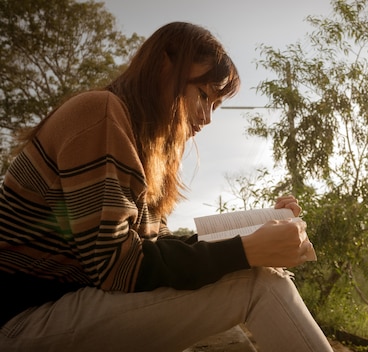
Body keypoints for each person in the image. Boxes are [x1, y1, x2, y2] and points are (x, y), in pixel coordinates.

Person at [0, 22, 332, 352]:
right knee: (259, 284)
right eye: (203, 95)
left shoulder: (146, 152)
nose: (208, 118)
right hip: (23, 318)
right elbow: (119, 267)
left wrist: (259, 230)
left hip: (70, 306)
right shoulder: (101, 113)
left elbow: (155, 250)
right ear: (163, 68)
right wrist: (245, 250)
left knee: (254, 275)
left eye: (216, 105)